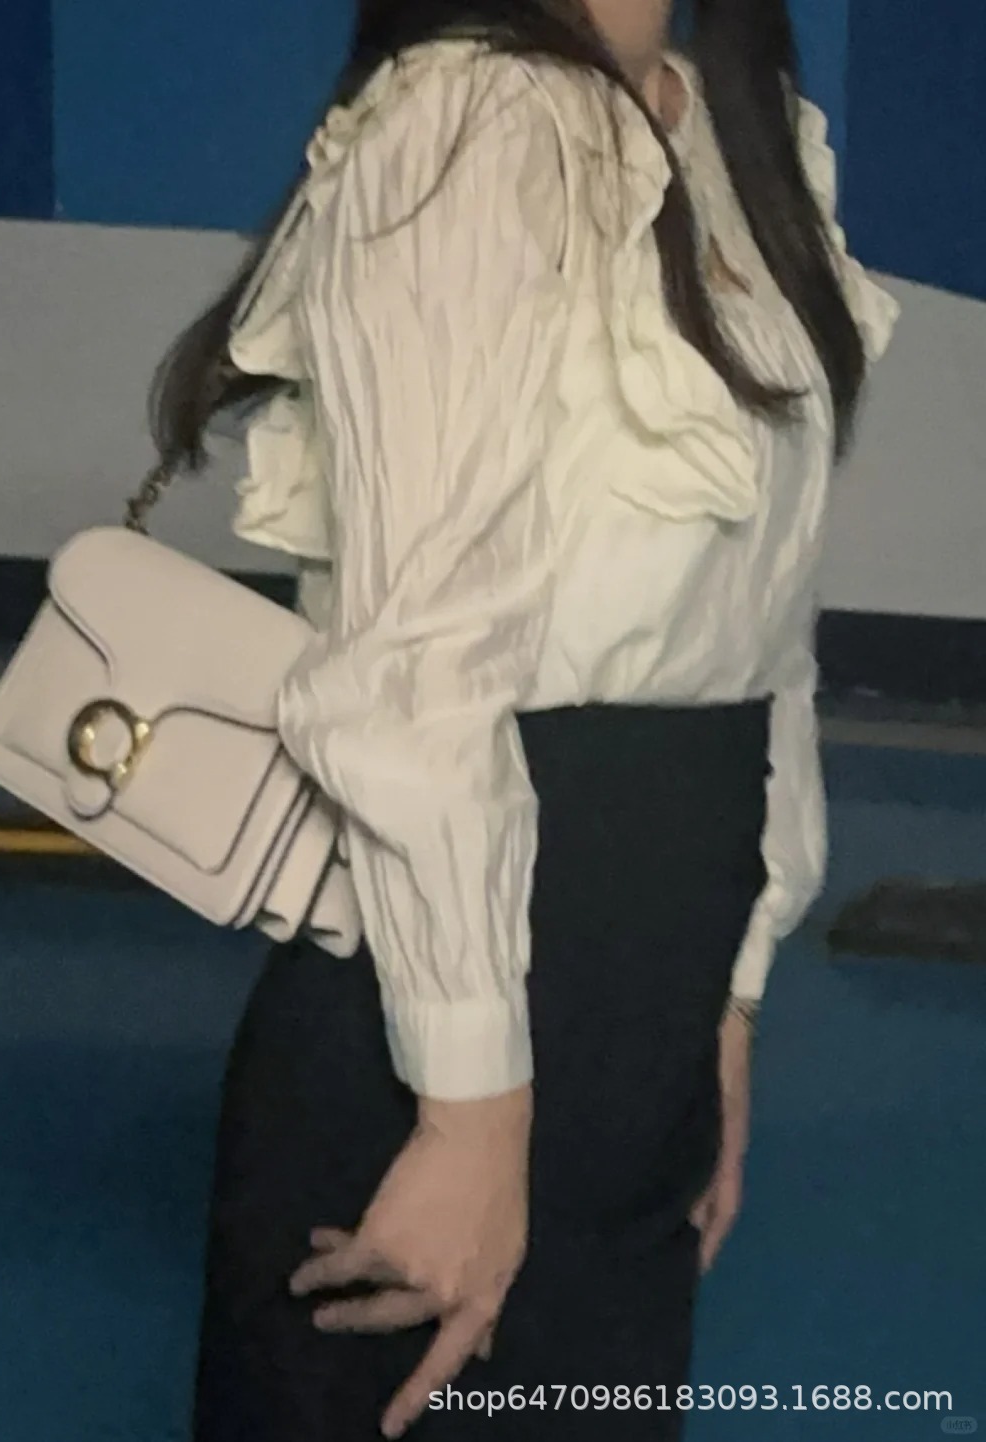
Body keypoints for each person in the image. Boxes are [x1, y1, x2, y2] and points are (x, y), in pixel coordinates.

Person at [149, 2, 898, 1437]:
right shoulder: (469, 122)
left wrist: (726, 1001)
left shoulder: (741, 130)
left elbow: (763, 620)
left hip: (647, 1016)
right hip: (443, 1032)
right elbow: (413, 663)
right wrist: (470, 1115)